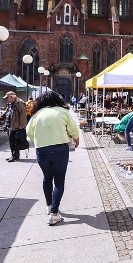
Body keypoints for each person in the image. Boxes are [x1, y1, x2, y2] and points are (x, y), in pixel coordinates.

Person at [26, 91, 79, 226]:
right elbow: (73, 129)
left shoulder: (37, 114)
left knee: (47, 178)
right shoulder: (62, 111)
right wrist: (76, 139)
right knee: (59, 181)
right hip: (60, 149)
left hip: (42, 150)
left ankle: (49, 206)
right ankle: (54, 214)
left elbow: (29, 133)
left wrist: (38, 139)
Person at [0, 91, 28, 162]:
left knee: (15, 142)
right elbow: (6, 112)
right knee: (11, 142)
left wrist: (21, 126)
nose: (6, 99)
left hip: (16, 127)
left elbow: (23, 115)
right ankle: (13, 155)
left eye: (7, 98)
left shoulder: (19, 103)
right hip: (10, 126)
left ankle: (15, 156)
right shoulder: (10, 103)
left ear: (11, 97)